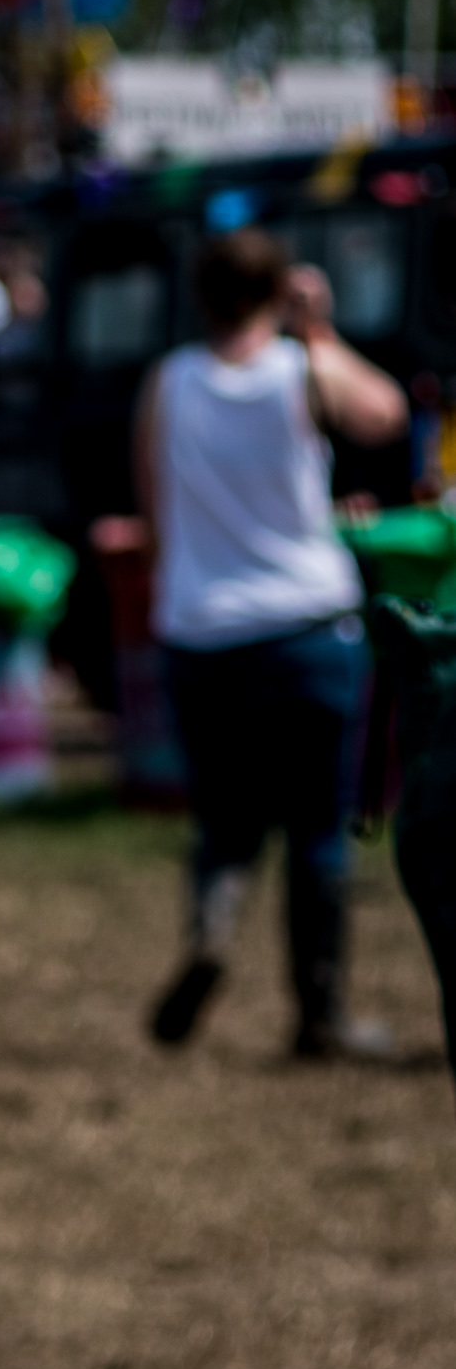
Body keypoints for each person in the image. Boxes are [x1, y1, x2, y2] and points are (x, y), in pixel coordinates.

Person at [140, 231, 407, 1059]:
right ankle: (319, 1013)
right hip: (306, 626)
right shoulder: (302, 370)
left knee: (225, 820)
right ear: (276, 293)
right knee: (317, 825)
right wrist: (319, 332)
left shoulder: (170, 383)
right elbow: (385, 413)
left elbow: (153, 509)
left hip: (203, 631)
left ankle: (214, 928)